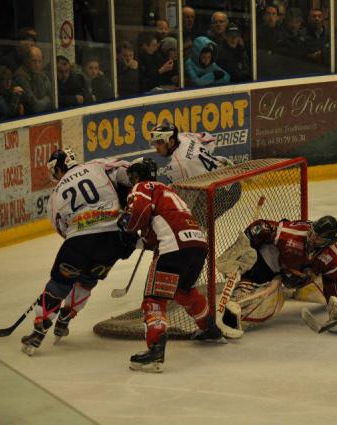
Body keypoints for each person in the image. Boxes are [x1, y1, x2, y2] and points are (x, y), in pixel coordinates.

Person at [20, 149, 136, 356]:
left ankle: (39, 330)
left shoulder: (55, 196)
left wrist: (79, 246)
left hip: (78, 242)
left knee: (58, 284)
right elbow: (126, 172)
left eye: (53, 171)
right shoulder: (97, 165)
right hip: (112, 240)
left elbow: (61, 229)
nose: (54, 175)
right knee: (87, 280)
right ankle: (65, 317)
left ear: (59, 167)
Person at [117, 159, 224, 372]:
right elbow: (157, 229)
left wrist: (127, 228)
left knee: (155, 299)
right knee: (183, 291)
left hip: (173, 248)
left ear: (137, 176)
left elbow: (141, 210)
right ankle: (209, 328)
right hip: (197, 246)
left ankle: (156, 350)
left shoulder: (142, 187)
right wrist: (141, 239)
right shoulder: (169, 191)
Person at [216, 215, 337, 334]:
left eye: (318, 238)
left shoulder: (334, 258)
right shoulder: (292, 234)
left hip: (297, 277)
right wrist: (244, 245)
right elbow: (262, 227)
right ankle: (234, 310)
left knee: (331, 281)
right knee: (266, 300)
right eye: (311, 233)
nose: (311, 238)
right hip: (269, 264)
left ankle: (304, 289)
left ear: (329, 242)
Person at [148, 121, 240, 225]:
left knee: (192, 225)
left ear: (171, 142)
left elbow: (185, 203)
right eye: (155, 142)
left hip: (223, 191)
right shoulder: (184, 136)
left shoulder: (177, 166)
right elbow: (209, 139)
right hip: (230, 179)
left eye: (160, 142)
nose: (156, 147)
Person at [13, 46, 53, 114]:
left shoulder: (42, 75)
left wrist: (48, 100)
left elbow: (53, 99)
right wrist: (47, 99)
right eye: (33, 61)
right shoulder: (21, 77)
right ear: (26, 60)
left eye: (39, 61)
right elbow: (35, 107)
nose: (37, 65)